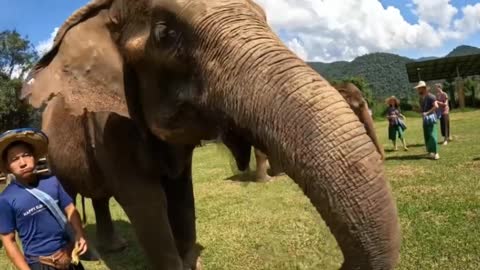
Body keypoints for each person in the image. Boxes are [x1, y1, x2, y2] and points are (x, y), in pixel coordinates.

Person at [0, 128, 88, 270]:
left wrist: (79, 234)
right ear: (7, 166)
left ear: (34, 156)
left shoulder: (52, 181)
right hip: (40, 264)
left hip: (69, 256)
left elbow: (70, 208)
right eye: (14, 159)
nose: (23, 163)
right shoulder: (6, 199)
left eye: (26, 155)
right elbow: (8, 240)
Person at [414, 81, 440, 160]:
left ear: (423, 88)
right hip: (425, 119)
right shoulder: (421, 99)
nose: (418, 90)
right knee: (427, 135)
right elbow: (422, 109)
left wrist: (427, 113)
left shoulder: (431, 96)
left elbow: (436, 106)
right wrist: (417, 110)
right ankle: (430, 151)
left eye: (419, 89)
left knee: (432, 135)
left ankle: (436, 153)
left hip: (431, 118)